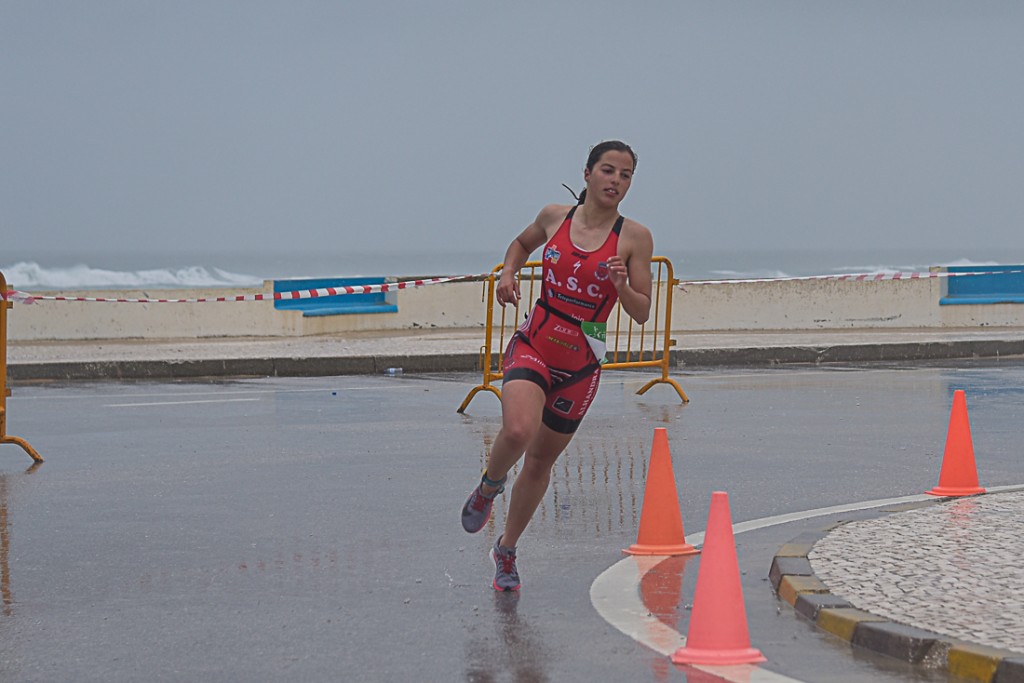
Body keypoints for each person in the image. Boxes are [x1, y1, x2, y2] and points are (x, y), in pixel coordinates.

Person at [460, 140, 654, 591]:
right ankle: (489, 486)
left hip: (583, 362)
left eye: (625, 176)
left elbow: (642, 312)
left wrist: (620, 286)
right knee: (517, 431)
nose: (616, 181)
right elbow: (520, 244)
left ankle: (505, 550)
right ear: (587, 174)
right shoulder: (554, 217)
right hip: (536, 341)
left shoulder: (634, 238)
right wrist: (508, 274)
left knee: (540, 461)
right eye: (608, 170)